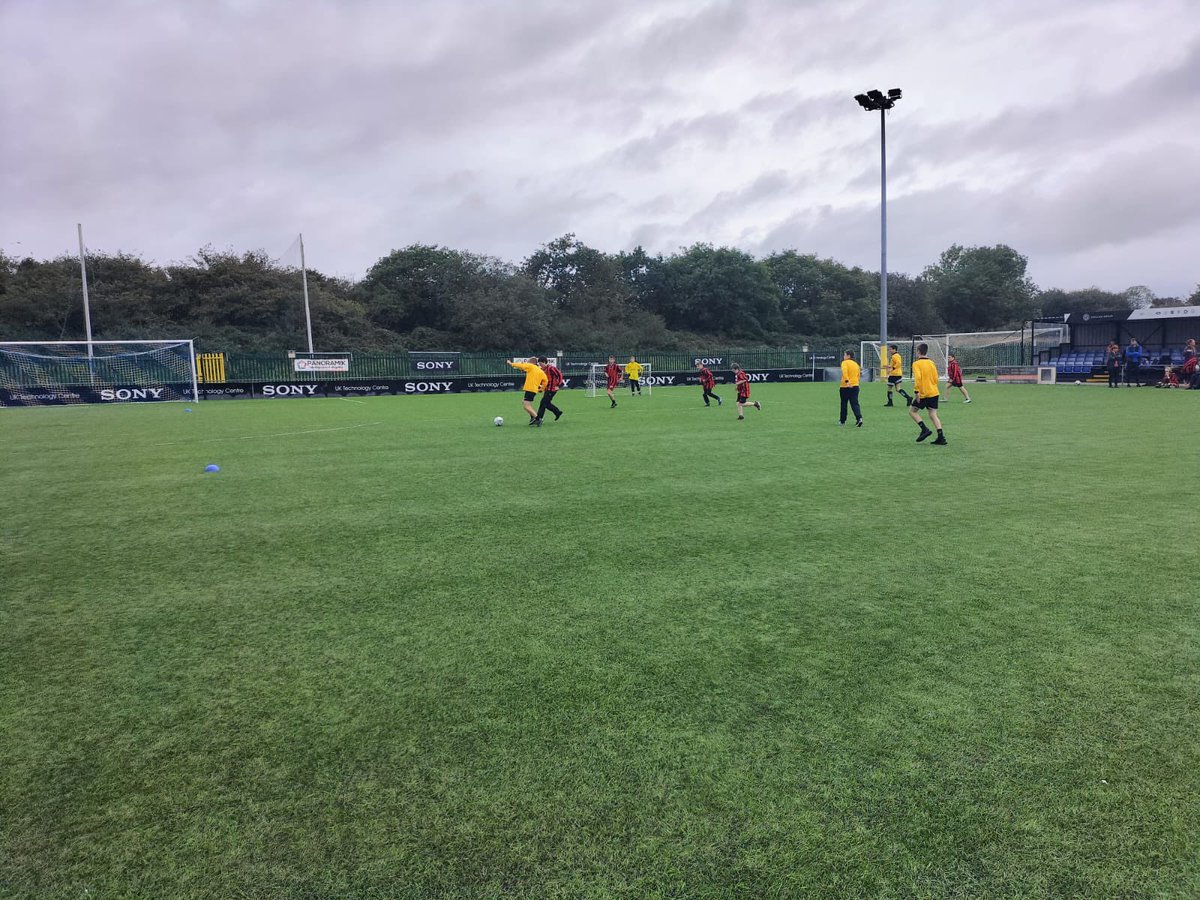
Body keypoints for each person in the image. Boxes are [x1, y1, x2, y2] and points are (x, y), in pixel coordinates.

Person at [908, 343, 946, 445]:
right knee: (933, 414)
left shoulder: (916, 364)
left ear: (919, 352)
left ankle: (924, 429)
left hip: (923, 393)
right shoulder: (931, 363)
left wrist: (917, 392)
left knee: (912, 411)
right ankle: (941, 437)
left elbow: (918, 379)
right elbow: (935, 378)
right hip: (934, 392)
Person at [508, 356, 548, 426]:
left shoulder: (531, 366)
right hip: (534, 390)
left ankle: (538, 419)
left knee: (526, 406)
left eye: (528, 361)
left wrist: (511, 364)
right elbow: (545, 381)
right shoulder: (540, 371)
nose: (527, 363)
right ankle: (533, 417)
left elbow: (521, 365)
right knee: (524, 402)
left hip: (530, 389)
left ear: (532, 362)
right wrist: (542, 389)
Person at [535, 356, 564, 422]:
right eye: (539, 364)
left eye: (541, 364)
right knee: (546, 403)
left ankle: (539, 418)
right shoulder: (543, 370)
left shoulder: (551, 368)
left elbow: (559, 375)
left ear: (545, 362)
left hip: (552, 389)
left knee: (543, 403)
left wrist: (559, 385)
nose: (540, 365)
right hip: (547, 389)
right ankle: (557, 412)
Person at [838, 350, 863, 427]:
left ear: (848, 356)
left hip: (845, 386)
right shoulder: (856, 364)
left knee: (844, 403)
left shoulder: (844, 363)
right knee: (855, 403)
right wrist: (856, 383)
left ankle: (842, 420)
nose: (844, 356)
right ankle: (859, 418)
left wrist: (847, 381)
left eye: (845, 355)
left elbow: (844, 372)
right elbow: (859, 376)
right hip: (855, 385)